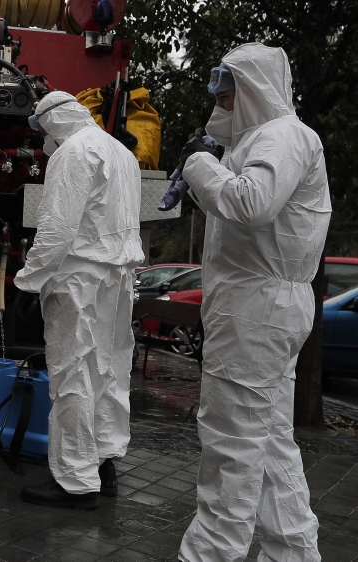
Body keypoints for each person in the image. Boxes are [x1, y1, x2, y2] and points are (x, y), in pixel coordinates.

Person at [178, 43, 328, 562]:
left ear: (254, 88)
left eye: (227, 85)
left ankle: (209, 554)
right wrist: (206, 170)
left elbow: (250, 203)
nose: (218, 96)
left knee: (231, 448)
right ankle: (292, 553)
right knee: (267, 445)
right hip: (261, 309)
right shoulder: (264, 141)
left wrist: (198, 166)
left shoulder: (282, 136)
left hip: (254, 314)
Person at [14, 90, 144, 510]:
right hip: (119, 278)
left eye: (42, 130)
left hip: (79, 277)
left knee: (73, 372)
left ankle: (74, 480)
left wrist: (28, 282)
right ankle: (104, 465)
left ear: (52, 121)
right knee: (109, 371)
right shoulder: (121, 153)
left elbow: (56, 228)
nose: (43, 140)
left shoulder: (72, 152)